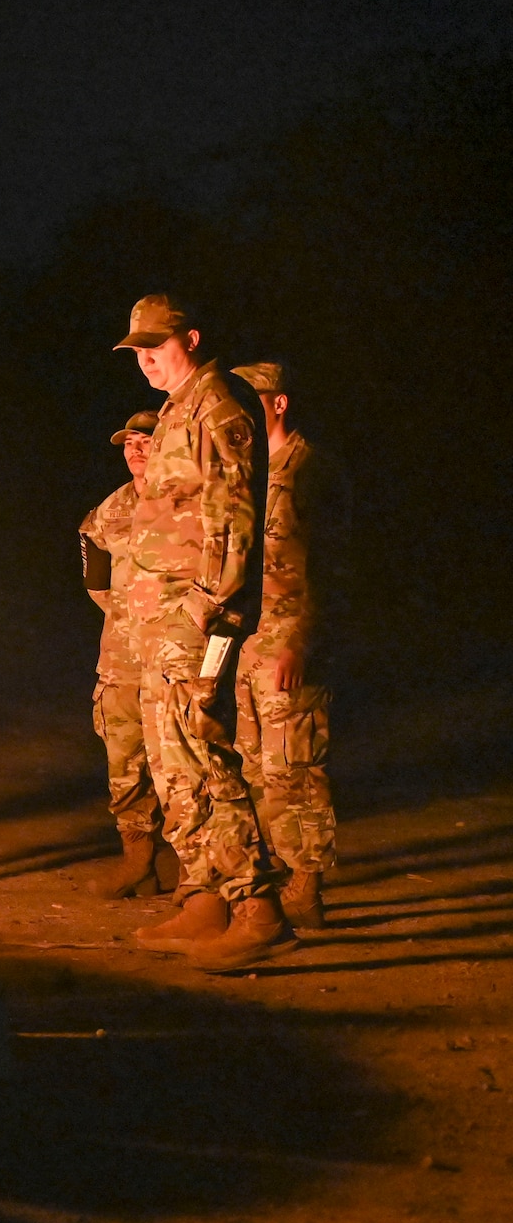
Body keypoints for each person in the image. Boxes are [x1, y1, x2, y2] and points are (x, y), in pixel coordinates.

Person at [114, 296, 292, 970]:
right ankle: (207, 891)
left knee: (203, 750)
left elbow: (232, 510)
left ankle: (257, 905)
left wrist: (207, 600)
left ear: (190, 337)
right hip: (160, 616)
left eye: (157, 345)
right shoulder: (174, 411)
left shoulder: (217, 406)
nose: (148, 359)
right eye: (138, 350)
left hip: (194, 615)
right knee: (171, 761)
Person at [229, 361, 347, 930]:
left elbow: (329, 567)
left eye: (254, 399)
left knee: (295, 768)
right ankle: (277, 876)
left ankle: (309, 883)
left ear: (278, 403)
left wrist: (300, 642)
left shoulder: (309, 470)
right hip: (248, 640)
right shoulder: (247, 471)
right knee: (254, 766)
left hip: (289, 639)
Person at [78, 410, 164, 895]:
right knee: (124, 761)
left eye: (145, 442)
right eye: (129, 443)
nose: (135, 450)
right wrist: (123, 612)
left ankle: (201, 871)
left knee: (180, 762)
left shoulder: (184, 499)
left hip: (172, 654)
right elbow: (92, 559)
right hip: (121, 659)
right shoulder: (110, 509)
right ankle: (138, 861)